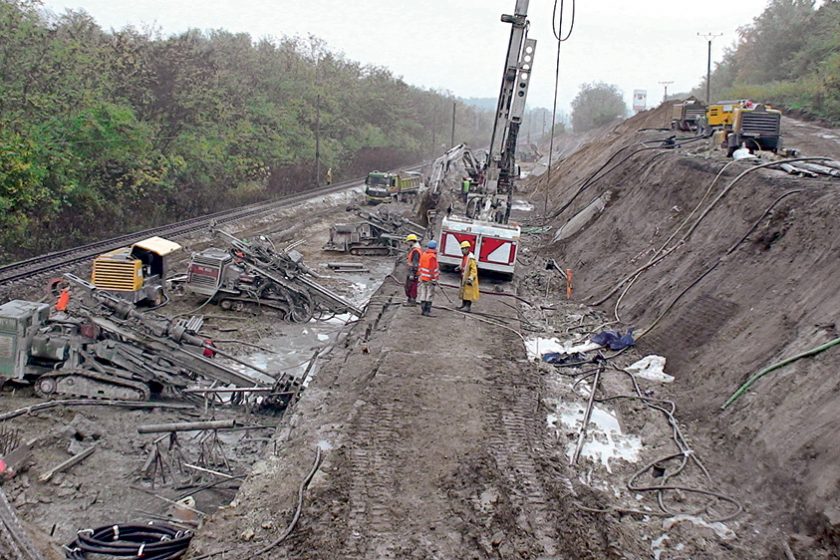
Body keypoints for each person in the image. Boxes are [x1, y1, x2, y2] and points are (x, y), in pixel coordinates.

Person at [417, 240, 440, 317]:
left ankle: (423, 310)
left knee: (423, 293)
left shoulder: (424, 254)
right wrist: (434, 279)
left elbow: (420, 266)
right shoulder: (432, 256)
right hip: (429, 279)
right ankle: (427, 311)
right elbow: (432, 269)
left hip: (423, 277)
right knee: (429, 294)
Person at [457, 241, 479, 312]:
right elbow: (464, 265)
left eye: (463, 249)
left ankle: (467, 307)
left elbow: (474, 270)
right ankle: (463, 305)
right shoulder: (465, 257)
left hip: (469, 279)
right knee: (464, 292)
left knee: (469, 293)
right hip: (464, 277)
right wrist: (459, 267)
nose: (462, 251)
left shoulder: (471, 258)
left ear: (467, 249)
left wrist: (471, 278)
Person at [404, 234, 422, 305]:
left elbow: (415, 264)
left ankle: (412, 301)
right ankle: (410, 300)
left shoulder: (416, 251)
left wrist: (412, 273)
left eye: (408, 241)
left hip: (413, 272)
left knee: (412, 286)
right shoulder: (415, 249)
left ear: (412, 241)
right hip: (413, 271)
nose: (407, 243)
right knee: (409, 286)